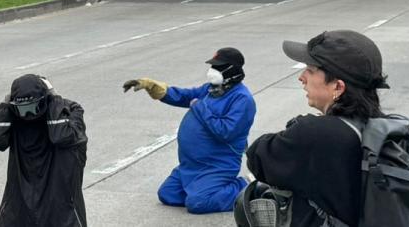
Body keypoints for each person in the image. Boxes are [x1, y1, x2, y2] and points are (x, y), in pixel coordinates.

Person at [246, 30, 390, 227]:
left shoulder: (315, 133)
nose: (301, 77)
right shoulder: (388, 128)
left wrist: (300, 127)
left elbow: (257, 157)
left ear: (338, 87)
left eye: (311, 70)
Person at [123, 47, 255, 214]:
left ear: (232, 70)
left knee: (198, 203)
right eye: (213, 66)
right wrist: (156, 88)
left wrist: (200, 107)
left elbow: (225, 132)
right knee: (167, 194)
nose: (212, 70)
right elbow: (186, 96)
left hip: (217, 165)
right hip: (191, 165)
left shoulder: (242, 99)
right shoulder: (212, 89)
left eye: (218, 67)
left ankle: (245, 186)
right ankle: (203, 188)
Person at [0, 74, 87, 227]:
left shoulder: (70, 110)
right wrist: (5, 104)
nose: (29, 115)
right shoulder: (14, 116)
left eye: (33, 107)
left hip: (60, 208)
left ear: (45, 99)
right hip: (21, 206)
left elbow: (61, 136)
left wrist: (54, 98)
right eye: (23, 109)